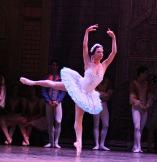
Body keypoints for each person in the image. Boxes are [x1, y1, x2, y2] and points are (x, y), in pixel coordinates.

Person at [20, 24, 117, 156]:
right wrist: (87, 32)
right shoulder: (88, 62)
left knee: (79, 120)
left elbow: (114, 53)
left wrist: (113, 38)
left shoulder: (104, 65)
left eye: (102, 51)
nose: (102, 53)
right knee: (54, 84)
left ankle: (79, 142)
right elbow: (84, 46)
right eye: (99, 51)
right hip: (78, 85)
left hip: (87, 94)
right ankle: (32, 82)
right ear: (93, 53)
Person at [41, 61, 66, 148]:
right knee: (50, 122)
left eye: (55, 65)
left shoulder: (61, 78)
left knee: (58, 121)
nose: (54, 67)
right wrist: (49, 101)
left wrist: (58, 101)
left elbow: (63, 91)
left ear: (57, 67)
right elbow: (43, 90)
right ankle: (51, 142)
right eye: (52, 65)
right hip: (49, 103)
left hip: (57, 103)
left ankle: (56, 142)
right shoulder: (47, 78)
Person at [129, 66, 152, 153]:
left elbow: (150, 95)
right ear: (141, 74)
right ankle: (139, 147)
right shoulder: (134, 83)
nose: (146, 75)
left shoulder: (147, 84)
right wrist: (139, 105)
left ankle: (135, 145)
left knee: (140, 129)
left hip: (145, 109)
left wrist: (147, 105)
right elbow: (132, 96)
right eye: (145, 73)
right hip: (136, 108)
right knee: (137, 127)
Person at [93, 78, 113, 151]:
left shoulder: (107, 81)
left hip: (104, 104)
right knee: (96, 124)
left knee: (106, 124)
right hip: (96, 104)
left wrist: (100, 93)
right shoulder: (95, 80)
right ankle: (96, 144)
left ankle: (102, 144)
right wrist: (100, 94)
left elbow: (108, 95)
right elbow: (93, 93)